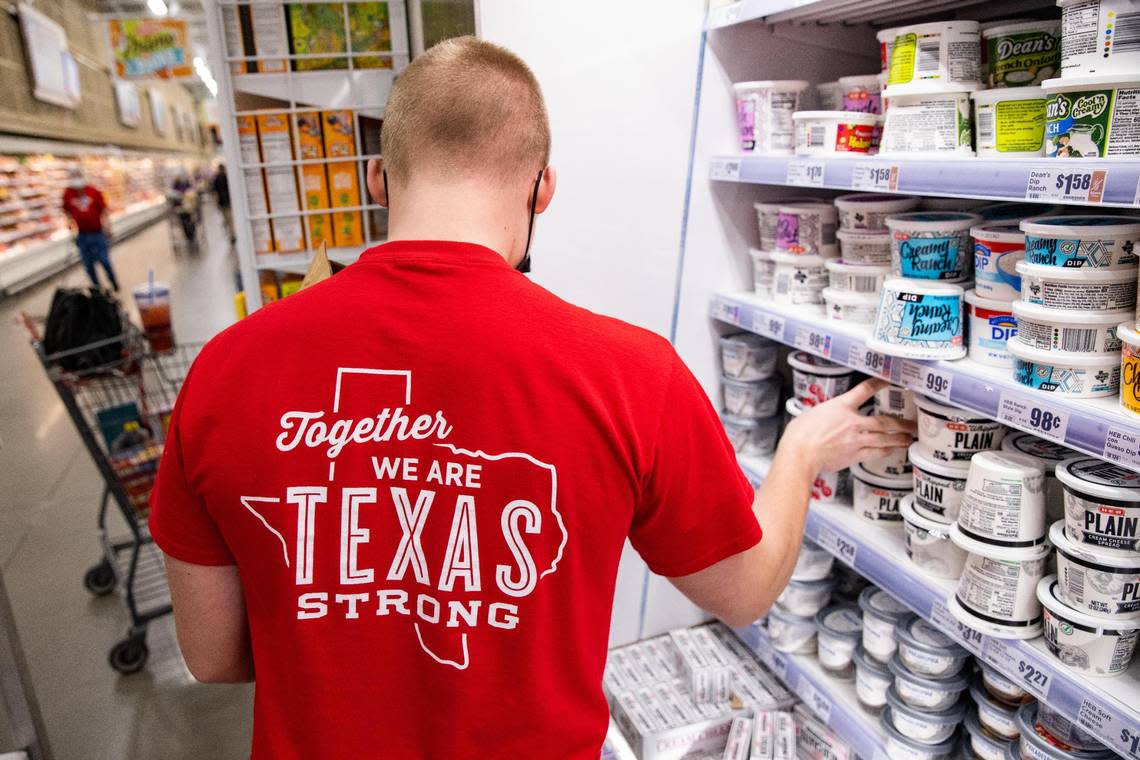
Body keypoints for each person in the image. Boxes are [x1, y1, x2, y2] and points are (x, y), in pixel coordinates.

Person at [149, 37, 912, 759]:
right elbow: (744, 591)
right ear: (543, 186)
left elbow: (213, 656)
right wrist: (803, 449)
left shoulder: (226, 370)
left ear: (379, 179)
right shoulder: (629, 373)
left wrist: (347, 610)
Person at [61, 168, 118, 292]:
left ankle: (113, 281)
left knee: (104, 260)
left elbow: (104, 211)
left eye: (78, 175)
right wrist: (70, 225)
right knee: (88, 265)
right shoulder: (67, 194)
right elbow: (67, 212)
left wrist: (108, 227)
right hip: (82, 235)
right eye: (73, 175)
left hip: (97, 232)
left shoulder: (93, 191)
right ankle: (97, 289)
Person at [211, 162, 234, 243]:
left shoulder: (216, 178)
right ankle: (232, 234)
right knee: (229, 218)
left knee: (226, 218)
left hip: (222, 201)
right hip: (227, 201)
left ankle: (231, 233)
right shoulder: (227, 177)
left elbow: (214, 192)